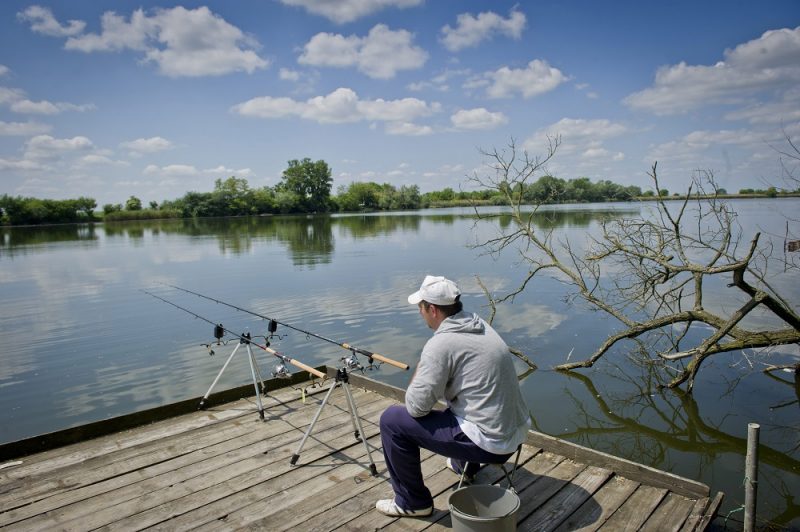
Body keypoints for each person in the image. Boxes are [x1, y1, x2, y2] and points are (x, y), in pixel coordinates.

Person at [375, 275, 531, 517]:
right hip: (517, 432)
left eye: (421, 307)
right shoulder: (478, 324)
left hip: (492, 445)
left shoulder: (441, 344)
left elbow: (416, 407)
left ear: (433, 310)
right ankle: (464, 467)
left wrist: (422, 366)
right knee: (465, 400)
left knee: (392, 420)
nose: (420, 313)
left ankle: (412, 502)